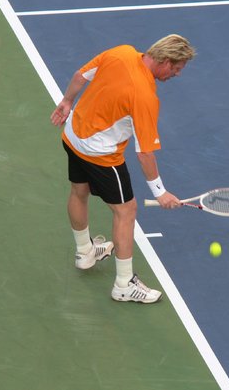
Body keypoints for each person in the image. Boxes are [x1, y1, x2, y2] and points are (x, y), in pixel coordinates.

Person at [50, 34, 196, 304]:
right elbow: (145, 153)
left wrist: (67, 101)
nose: (176, 75)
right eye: (176, 69)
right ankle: (124, 284)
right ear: (165, 61)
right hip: (101, 154)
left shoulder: (122, 52)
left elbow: (81, 75)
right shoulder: (145, 96)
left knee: (78, 191)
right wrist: (160, 192)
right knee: (126, 211)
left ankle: (85, 252)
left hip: (72, 136)